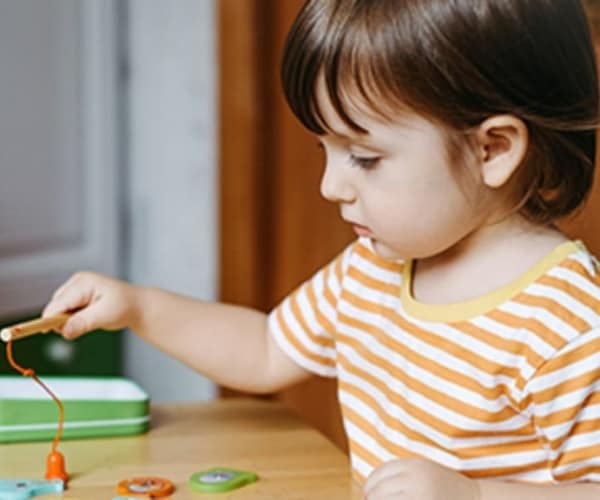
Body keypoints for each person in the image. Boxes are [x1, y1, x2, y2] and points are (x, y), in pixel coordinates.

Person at [43, 0, 600, 498]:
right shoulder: (371, 269)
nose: (330, 186)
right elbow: (264, 350)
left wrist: (475, 495)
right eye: (324, 149)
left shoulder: (565, 318)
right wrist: (138, 308)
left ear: (493, 149)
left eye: (364, 157)